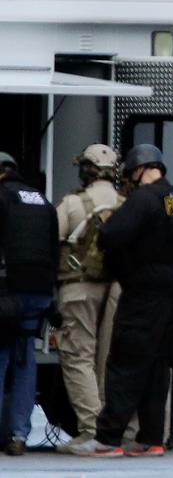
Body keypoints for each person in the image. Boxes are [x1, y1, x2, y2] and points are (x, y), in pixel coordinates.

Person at [69, 144, 173, 457]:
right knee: (156, 367)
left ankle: (108, 439)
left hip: (143, 294)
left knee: (125, 364)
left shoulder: (143, 199)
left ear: (139, 169)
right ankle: (150, 439)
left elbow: (111, 234)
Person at [53, 144, 124, 453]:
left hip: (77, 287)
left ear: (86, 171)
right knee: (106, 357)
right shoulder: (126, 203)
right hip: (116, 290)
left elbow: (49, 241)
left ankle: (90, 429)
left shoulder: (72, 203)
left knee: (77, 355)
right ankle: (108, 428)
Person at [0, 152, 58, 456]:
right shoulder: (41, 200)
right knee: (24, 359)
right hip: (39, 292)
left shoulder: (2, 197)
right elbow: (53, 246)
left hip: (8, 292)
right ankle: (19, 435)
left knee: (1, 358)